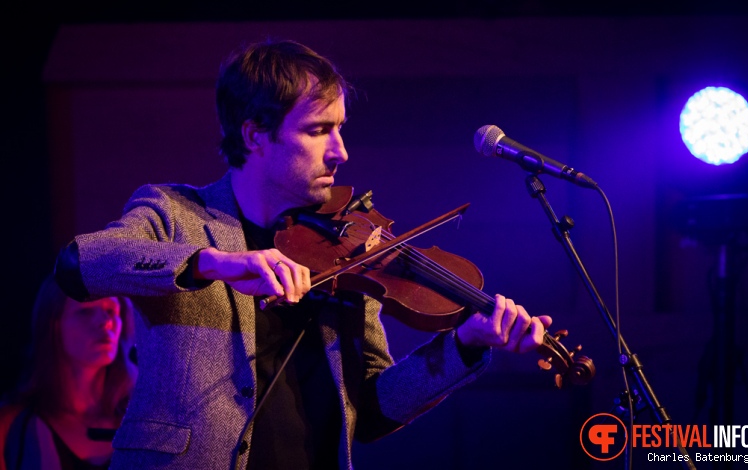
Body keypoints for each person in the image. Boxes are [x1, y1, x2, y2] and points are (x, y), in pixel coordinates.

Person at [53, 39, 553, 470]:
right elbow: (81, 263)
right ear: (256, 135)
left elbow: (376, 410)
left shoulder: (350, 245)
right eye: (318, 130)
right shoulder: (175, 212)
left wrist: (465, 343)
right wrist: (217, 262)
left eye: (340, 128)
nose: (341, 151)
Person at [0, 274, 136, 470]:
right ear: (53, 324)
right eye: (86, 312)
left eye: (111, 310)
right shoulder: (10, 425)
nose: (106, 322)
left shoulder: (141, 419)